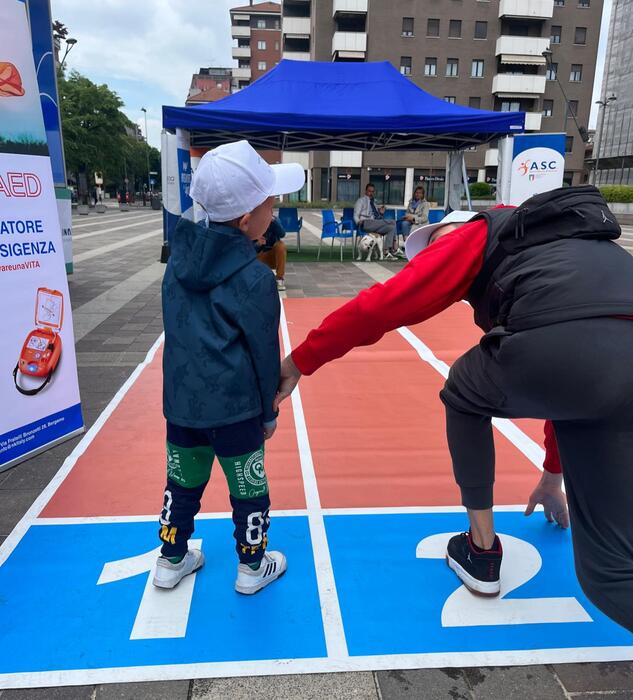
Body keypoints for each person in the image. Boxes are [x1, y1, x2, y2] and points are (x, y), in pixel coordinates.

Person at [275, 186, 633, 632]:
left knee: (464, 391)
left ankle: (482, 552)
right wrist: (552, 477)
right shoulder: (573, 244)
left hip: (559, 347)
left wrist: (300, 360)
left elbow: (383, 306)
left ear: (451, 231)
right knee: (611, 569)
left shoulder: (474, 234)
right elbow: (581, 359)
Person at [154, 140, 305, 594]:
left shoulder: (175, 262)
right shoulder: (255, 279)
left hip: (181, 406)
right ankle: (252, 566)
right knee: (248, 488)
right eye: (270, 205)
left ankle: (171, 557)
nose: (275, 213)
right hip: (236, 408)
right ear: (246, 221)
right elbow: (262, 354)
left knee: (181, 486)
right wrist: (268, 411)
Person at [354, 183, 401, 260]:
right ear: (366, 191)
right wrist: (358, 221)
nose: (371, 193)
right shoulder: (361, 201)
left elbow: (377, 219)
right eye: (369, 191)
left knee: (391, 227)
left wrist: (381, 214)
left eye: (372, 191)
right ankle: (395, 247)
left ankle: (386, 251)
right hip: (365, 223)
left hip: (374, 224)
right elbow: (356, 214)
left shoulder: (374, 203)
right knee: (393, 221)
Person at [256, 215, 287, 291]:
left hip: (273, 255)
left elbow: (282, 234)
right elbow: (248, 247)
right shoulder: (253, 222)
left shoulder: (274, 220)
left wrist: (273, 221)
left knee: (281, 245)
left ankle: (279, 279)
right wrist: (257, 244)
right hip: (259, 256)